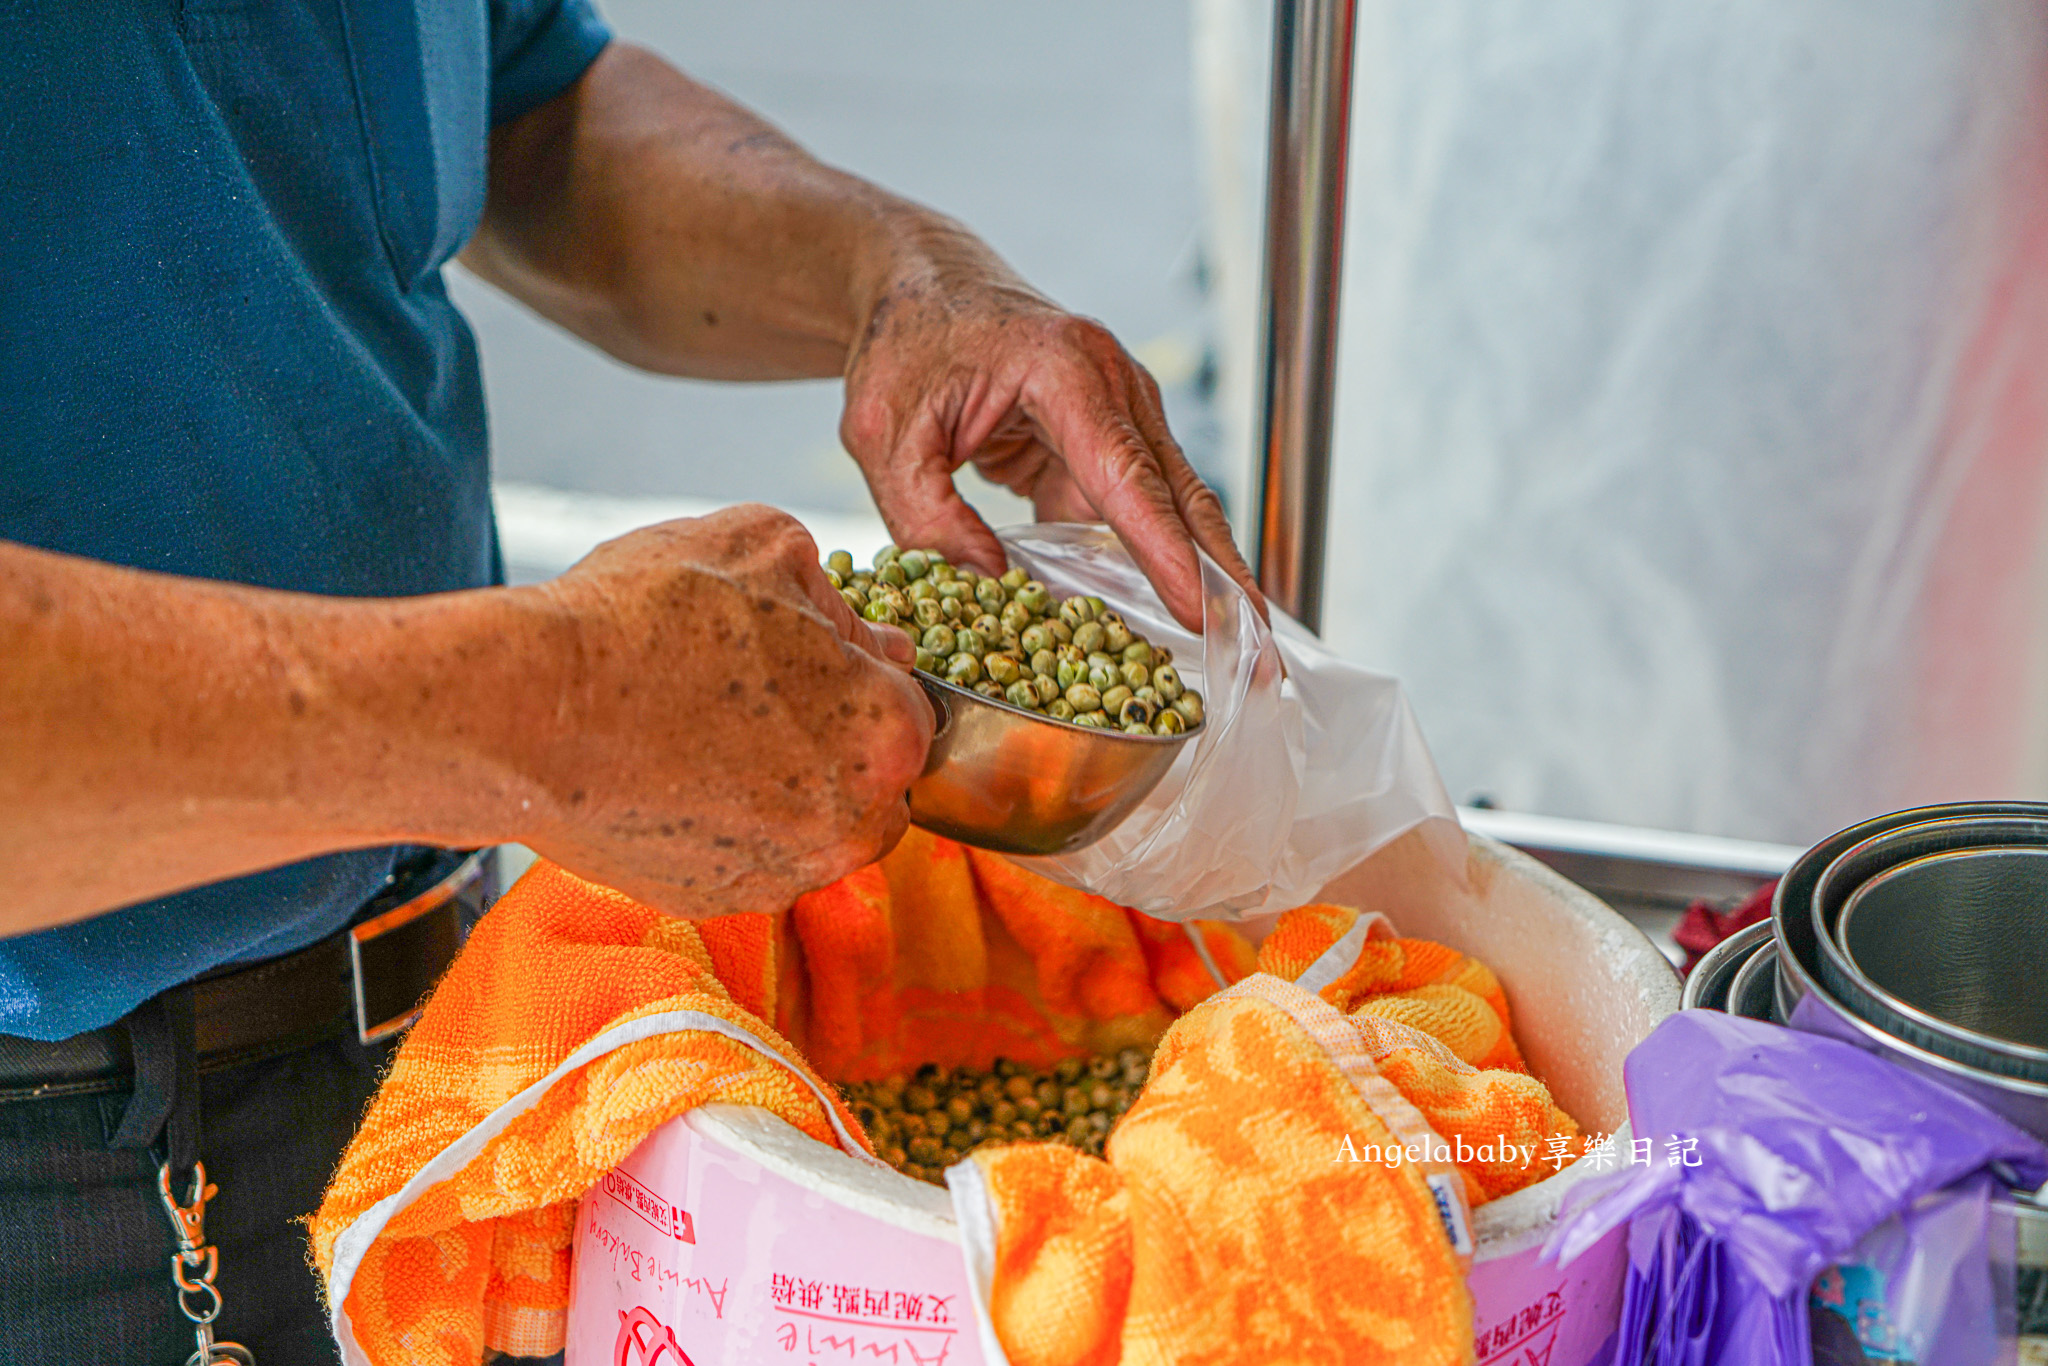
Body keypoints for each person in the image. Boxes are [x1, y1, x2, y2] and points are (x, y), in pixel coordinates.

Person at [0, 6, 1256, 1360]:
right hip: (56, 1175)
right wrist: (560, 706)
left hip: (456, 1042)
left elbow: (527, 108)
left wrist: (901, 279)